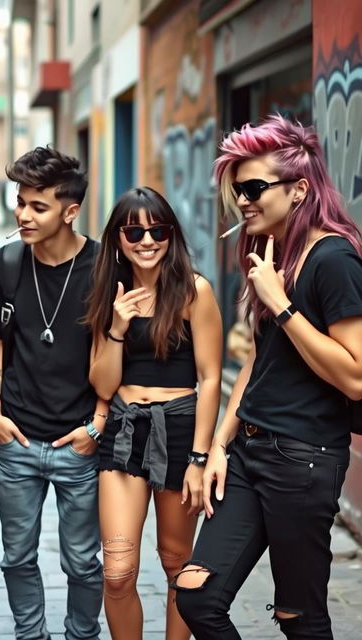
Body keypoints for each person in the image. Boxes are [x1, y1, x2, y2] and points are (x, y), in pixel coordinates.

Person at [173, 115, 362, 639]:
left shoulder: (334, 259)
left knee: (298, 618)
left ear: (299, 189)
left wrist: (281, 305)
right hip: (249, 452)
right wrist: (218, 445)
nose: (244, 201)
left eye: (255, 188)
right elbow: (260, 361)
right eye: (239, 191)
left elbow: (356, 377)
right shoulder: (273, 255)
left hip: (303, 460)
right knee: (196, 595)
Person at [0, 146, 107, 640]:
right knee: (17, 557)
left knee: (82, 561)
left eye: (38, 206)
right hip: (17, 440)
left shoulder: (102, 266)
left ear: (70, 211)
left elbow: (112, 349)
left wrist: (96, 425)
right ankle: (30, 635)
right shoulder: (7, 263)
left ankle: (82, 635)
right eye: (20, 201)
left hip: (80, 441)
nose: (23, 214)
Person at [86, 187, 222, 640]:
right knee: (118, 571)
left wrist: (200, 460)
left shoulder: (193, 291)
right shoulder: (110, 293)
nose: (147, 240)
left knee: (176, 564)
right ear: (118, 238)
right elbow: (102, 384)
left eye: (157, 229)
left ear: (170, 234)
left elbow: (211, 379)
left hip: (180, 433)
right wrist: (117, 328)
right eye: (135, 231)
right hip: (124, 430)